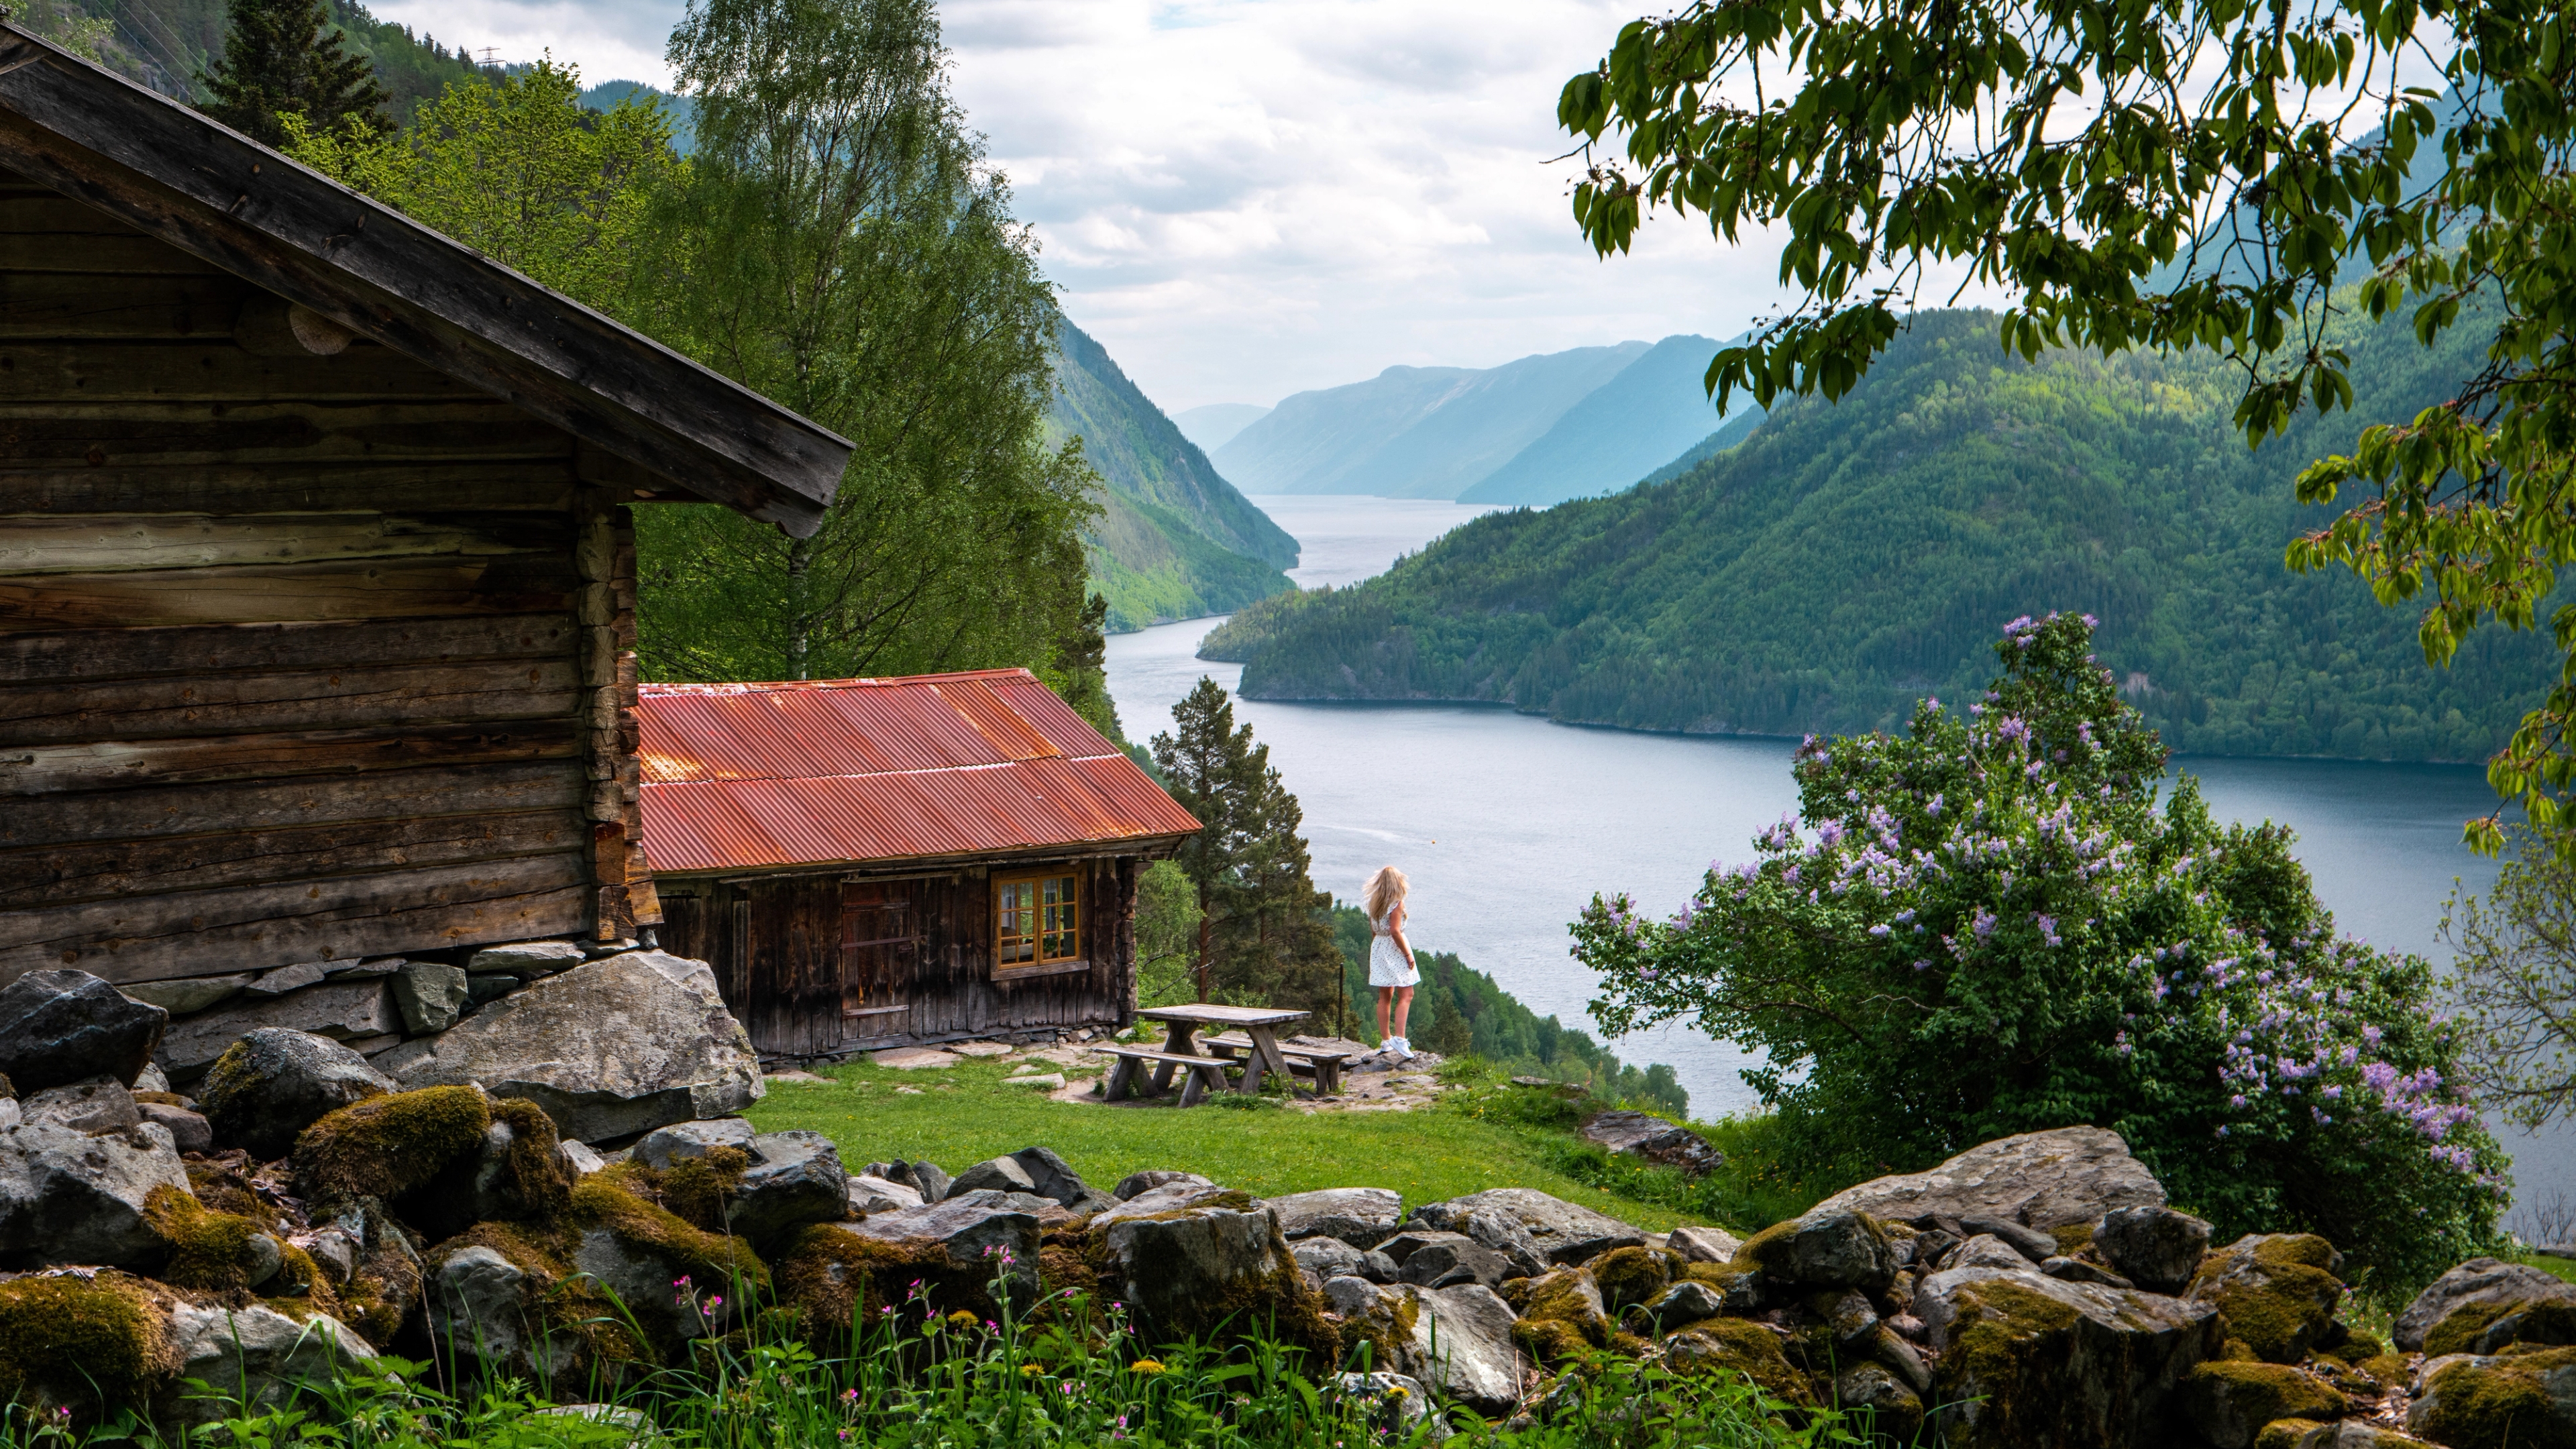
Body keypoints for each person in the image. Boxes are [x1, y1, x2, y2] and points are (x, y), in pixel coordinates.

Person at [1364, 865, 1419, 1056]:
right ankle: (1400, 1039)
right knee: (1407, 993)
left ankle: (1386, 1041)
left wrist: (1377, 952)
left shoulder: (1374, 903)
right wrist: (1407, 955)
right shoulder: (1396, 903)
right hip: (1395, 949)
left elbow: (1374, 930)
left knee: (1385, 996)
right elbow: (1395, 931)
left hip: (1378, 947)